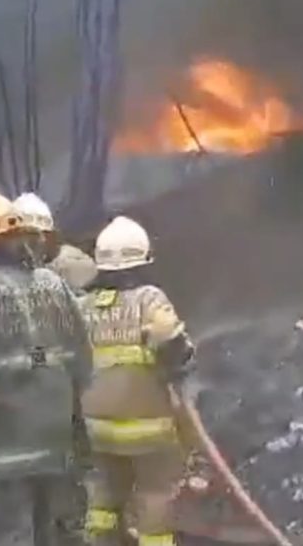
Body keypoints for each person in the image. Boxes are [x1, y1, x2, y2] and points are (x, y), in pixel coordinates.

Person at [0, 190, 94, 546]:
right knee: (56, 533)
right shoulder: (54, 284)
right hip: (57, 441)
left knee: (11, 534)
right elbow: (82, 361)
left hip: (5, 446)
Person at [78, 216, 196, 546]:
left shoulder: (82, 306)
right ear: (142, 261)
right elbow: (171, 343)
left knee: (100, 498)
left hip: (96, 429)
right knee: (155, 494)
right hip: (146, 429)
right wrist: (181, 362)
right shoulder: (149, 299)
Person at [11, 192, 98, 293]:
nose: (27, 245)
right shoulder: (10, 271)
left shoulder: (73, 265)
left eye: (34, 237)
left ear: (52, 235)